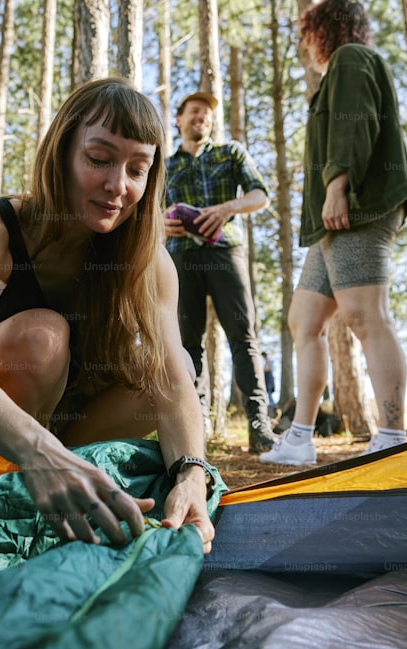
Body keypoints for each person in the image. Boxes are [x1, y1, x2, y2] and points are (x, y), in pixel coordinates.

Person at [0, 77, 215, 555]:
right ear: (62, 152)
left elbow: (171, 382)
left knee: (179, 368)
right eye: (99, 159)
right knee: (43, 337)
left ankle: (64, 486)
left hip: (66, 438)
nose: (116, 186)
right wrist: (40, 453)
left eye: (136, 169)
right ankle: (10, 486)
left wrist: (191, 475)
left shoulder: (150, 263)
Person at [260, 0, 407, 466]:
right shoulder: (343, 67)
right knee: (304, 321)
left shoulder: (351, 58)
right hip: (331, 222)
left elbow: (355, 123)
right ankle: (300, 439)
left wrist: (337, 186)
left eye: (307, 31)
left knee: (364, 315)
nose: (304, 42)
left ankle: (392, 435)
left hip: (355, 207)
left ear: (323, 28)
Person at [165, 91, 279, 454]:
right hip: (180, 257)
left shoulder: (230, 153)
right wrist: (160, 223)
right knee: (186, 343)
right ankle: (193, 429)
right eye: (194, 111)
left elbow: (261, 195)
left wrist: (227, 208)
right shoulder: (164, 165)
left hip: (226, 252)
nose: (202, 117)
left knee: (243, 337)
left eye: (208, 114)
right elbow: (145, 212)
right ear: (179, 119)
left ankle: (259, 425)